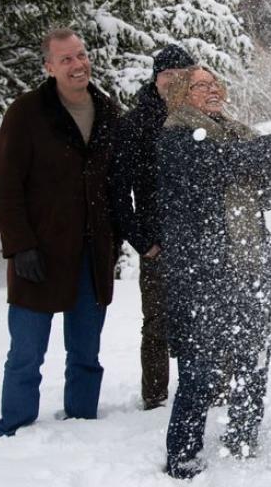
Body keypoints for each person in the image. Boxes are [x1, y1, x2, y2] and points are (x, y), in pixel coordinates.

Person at [157, 66, 271, 479]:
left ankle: (243, 438)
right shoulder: (177, 136)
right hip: (203, 272)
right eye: (201, 85)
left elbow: (264, 192)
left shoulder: (237, 134)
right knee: (199, 368)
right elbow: (220, 165)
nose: (213, 89)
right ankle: (182, 456)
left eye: (216, 83)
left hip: (250, 266)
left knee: (254, 358)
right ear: (181, 94)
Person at [0, 27, 121, 437]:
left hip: (91, 254)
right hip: (39, 253)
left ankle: (82, 422)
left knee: (86, 351)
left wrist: (113, 241)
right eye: (66, 59)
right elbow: (4, 184)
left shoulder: (108, 110)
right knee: (26, 352)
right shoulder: (27, 111)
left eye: (80, 55)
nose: (78, 65)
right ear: (49, 66)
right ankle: (14, 426)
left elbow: (116, 183)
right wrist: (20, 246)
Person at [110, 44, 195, 410]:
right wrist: (143, 241)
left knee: (204, 318)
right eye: (168, 75)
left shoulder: (203, 119)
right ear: (156, 78)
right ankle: (155, 397)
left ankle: (210, 389)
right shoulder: (134, 125)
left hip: (200, 240)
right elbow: (117, 192)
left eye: (183, 75)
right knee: (157, 323)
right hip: (158, 241)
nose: (175, 81)